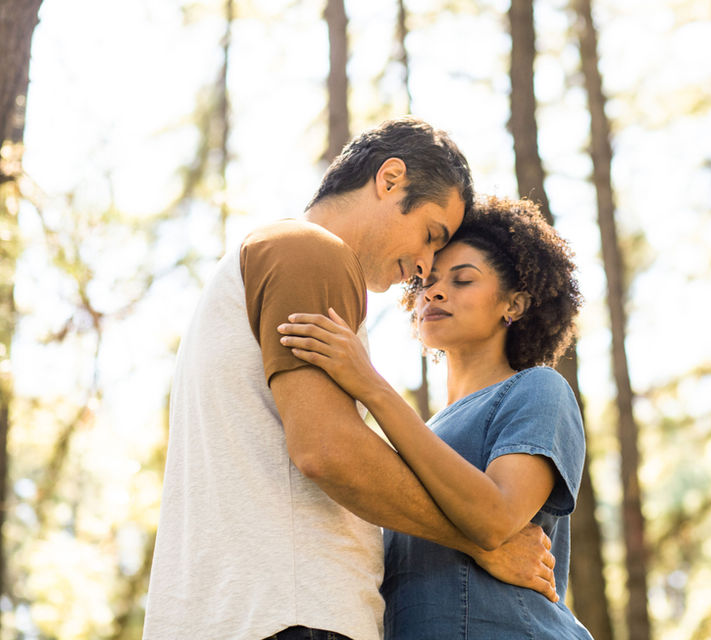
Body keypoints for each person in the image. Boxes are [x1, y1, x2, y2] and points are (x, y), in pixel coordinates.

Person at [143, 118, 558, 640]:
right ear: (389, 179)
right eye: (431, 235)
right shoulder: (309, 251)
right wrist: (481, 542)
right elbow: (325, 448)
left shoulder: (269, 260)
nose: (423, 269)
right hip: (294, 613)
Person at [278, 196, 594, 639]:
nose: (435, 292)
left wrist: (370, 386)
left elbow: (496, 518)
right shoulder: (424, 434)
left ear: (515, 305)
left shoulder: (538, 389)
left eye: (463, 281)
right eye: (427, 281)